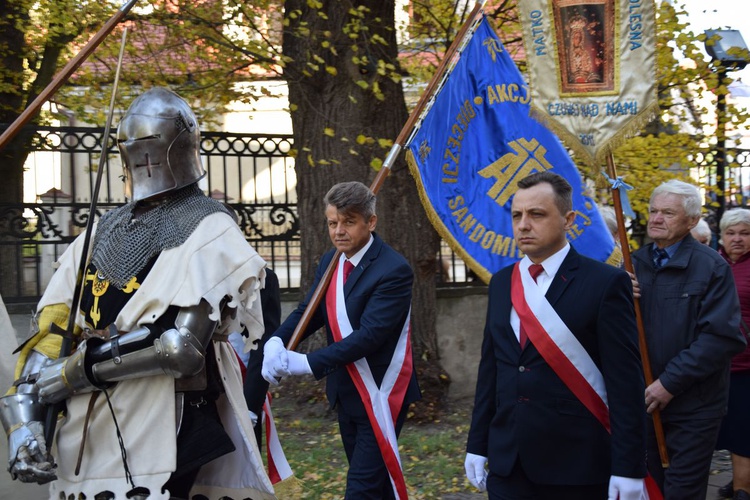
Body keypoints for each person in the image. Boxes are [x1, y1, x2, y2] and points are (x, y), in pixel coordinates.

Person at [0, 87, 275, 499]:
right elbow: (50, 332)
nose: (142, 157)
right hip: (89, 426)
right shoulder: (99, 233)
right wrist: (25, 425)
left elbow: (181, 347)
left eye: (148, 144)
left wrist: (75, 372)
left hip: (167, 420)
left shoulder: (211, 229)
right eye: (134, 146)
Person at [465, 171, 647, 499]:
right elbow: (491, 371)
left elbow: (626, 384)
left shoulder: (605, 283)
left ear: (568, 219)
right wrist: (477, 444)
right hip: (509, 461)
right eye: (517, 215)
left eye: (537, 214)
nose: (523, 225)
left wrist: (629, 466)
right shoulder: (502, 282)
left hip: (577, 463)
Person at [261, 181, 421, 499]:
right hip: (346, 391)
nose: (339, 231)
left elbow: (371, 335)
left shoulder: (393, 270)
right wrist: (276, 341)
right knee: (376, 487)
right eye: (333, 223)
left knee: (361, 489)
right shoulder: (331, 261)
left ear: (370, 222)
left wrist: (308, 362)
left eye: (348, 222)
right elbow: (310, 311)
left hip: (380, 392)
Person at [632, 179, 745, 499]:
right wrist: (616, 298)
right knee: (649, 488)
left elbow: (721, 337)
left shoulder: (711, 267)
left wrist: (669, 383)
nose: (656, 219)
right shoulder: (633, 264)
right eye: (653, 211)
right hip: (643, 402)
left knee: (682, 491)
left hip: (694, 406)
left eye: (667, 213)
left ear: (692, 221)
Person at [715, 208, 750, 500]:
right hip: (714, 365)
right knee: (720, 429)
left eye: (745, 233)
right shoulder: (713, 262)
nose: (737, 239)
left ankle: (742, 489)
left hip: (747, 366)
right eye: (731, 232)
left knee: (743, 431)